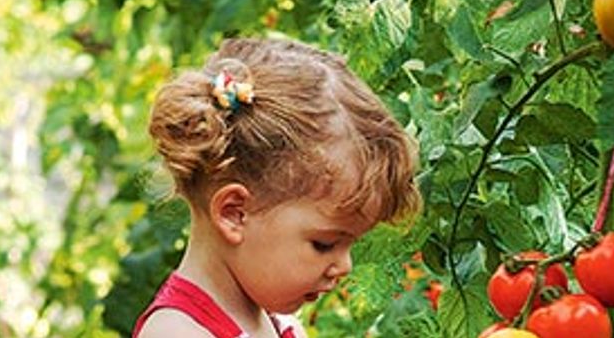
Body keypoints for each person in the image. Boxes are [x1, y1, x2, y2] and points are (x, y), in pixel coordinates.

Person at [133, 38, 421, 338]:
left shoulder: (273, 321)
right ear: (234, 213)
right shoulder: (176, 333)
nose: (345, 266)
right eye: (325, 244)